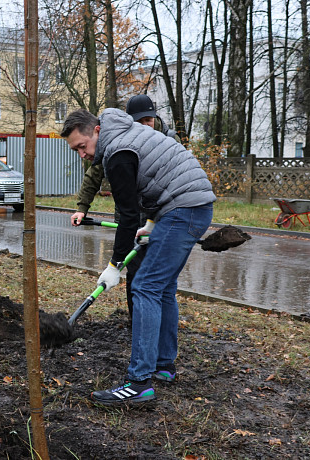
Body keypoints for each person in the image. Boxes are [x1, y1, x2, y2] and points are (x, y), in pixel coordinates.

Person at [61, 108, 215, 406]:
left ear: (96, 131)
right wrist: (153, 224)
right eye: (75, 150)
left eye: (82, 146)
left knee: (144, 287)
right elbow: (160, 178)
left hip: (184, 209)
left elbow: (128, 217)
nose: (82, 154)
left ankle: (139, 382)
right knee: (162, 288)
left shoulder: (117, 153)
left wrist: (114, 265)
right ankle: (163, 366)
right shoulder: (127, 133)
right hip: (191, 206)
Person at [70, 94, 182, 322]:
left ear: (154, 118)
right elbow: (94, 173)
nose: (143, 126)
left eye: (147, 121)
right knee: (136, 271)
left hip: (162, 215)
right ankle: (137, 322)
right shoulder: (119, 142)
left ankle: (158, 328)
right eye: (138, 122)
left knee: (161, 276)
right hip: (131, 214)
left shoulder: (168, 139)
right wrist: (82, 207)